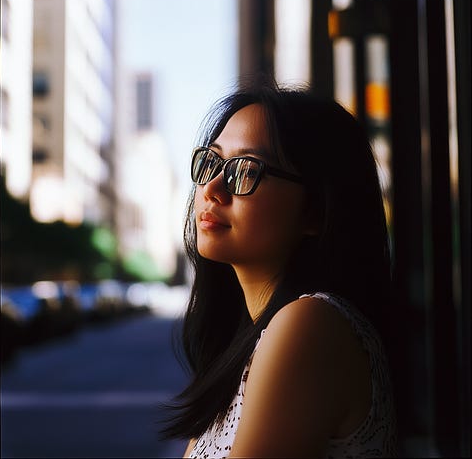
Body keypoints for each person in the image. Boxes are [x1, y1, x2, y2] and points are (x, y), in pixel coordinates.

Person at [161, 81, 397, 458]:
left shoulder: (311, 323)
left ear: (315, 211)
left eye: (244, 169)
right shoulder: (256, 340)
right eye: (212, 162)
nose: (213, 188)